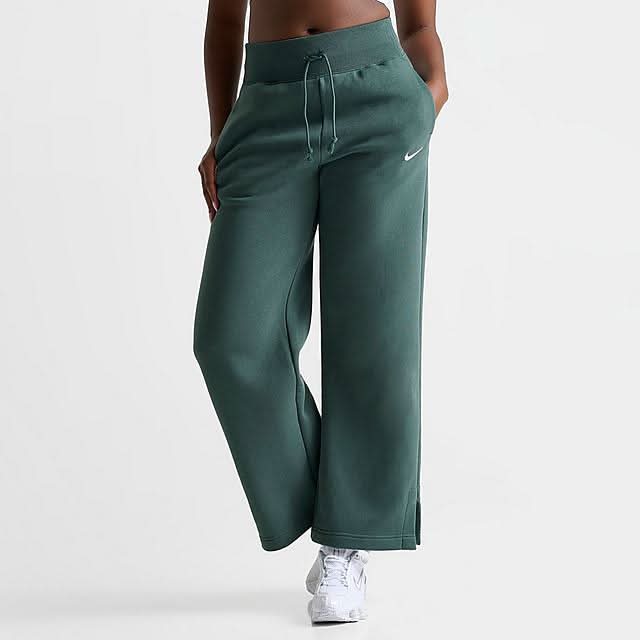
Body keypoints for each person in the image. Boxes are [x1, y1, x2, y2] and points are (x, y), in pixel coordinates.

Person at [194, 0, 447, 624]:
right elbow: (224, 19)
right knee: (230, 340)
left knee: (374, 332)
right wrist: (221, 132)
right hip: (267, 105)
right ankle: (342, 509)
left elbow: (419, 23)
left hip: (379, 98)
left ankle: (347, 541)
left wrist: (430, 94)